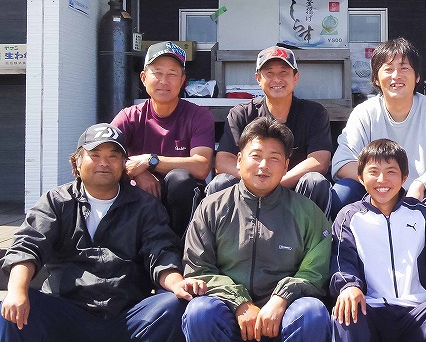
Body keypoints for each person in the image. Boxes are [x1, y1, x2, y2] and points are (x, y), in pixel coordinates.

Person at [0, 123, 206, 342]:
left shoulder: (145, 205)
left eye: (113, 156)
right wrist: (17, 290)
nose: (104, 163)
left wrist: (176, 283)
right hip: (66, 312)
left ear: (124, 163)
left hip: (127, 317)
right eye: (95, 155)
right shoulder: (56, 202)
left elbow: (161, 251)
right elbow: (28, 245)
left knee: (175, 304)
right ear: (77, 162)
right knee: (12, 308)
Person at [181, 117, 332, 342]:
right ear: (239, 160)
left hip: (283, 313)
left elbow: (315, 271)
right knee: (200, 312)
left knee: (312, 312)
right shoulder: (212, 207)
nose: (263, 165)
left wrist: (281, 298)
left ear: (286, 166)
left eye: (274, 158)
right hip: (228, 311)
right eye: (256, 156)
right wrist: (240, 303)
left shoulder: (307, 212)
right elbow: (199, 270)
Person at [331, 37, 426, 251]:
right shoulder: (364, 113)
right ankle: (357, 259)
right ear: (376, 78)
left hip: (421, 199)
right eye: (388, 69)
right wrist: (384, 185)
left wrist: (421, 184)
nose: (396, 76)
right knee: (343, 191)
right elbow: (342, 163)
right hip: (376, 196)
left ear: (417, 76)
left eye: (404, 68)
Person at [331, 139, 426, 342]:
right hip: (371, 308)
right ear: (361, 177)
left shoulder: (423, 215)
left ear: (404, 177)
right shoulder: (349, 217)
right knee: (345, 312)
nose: (382, 180)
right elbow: (341, 261)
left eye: (391, 172)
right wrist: (348, 286)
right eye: (373, 172)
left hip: (419, 311)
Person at [207, 45, 333, 217]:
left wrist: (275, 183)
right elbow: (223, 162)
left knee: (315, 181)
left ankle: (311, 234)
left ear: (295, 77)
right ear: (258, 78)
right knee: (221, 182)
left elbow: (319, 161)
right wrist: (256, 182)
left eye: (284, 72)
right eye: (269, 73)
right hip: (250, 191)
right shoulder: (242, 113)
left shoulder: (314, 113)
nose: (277, 79)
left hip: (293, 190)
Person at [112, 41, 215, 239]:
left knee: (180, 179)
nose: (164, 81)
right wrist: (137, 173)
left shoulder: (199, 116)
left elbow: (202, 166)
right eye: (157, 73)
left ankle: (180, 249)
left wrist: (149, 161)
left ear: (183, 80)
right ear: (144, 78)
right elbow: (105, 157)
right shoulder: (129, 116)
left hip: (182, 204)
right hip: (139, 197)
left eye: (172, 74)